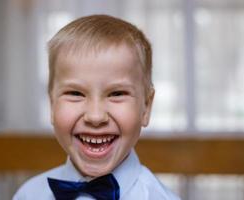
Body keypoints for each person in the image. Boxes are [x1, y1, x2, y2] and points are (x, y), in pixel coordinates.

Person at [13, 14, 180, 200]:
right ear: (52, 105)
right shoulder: (28, 195)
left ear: (146, 107)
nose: (95, 116)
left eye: (117, 94)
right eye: (75, 94)